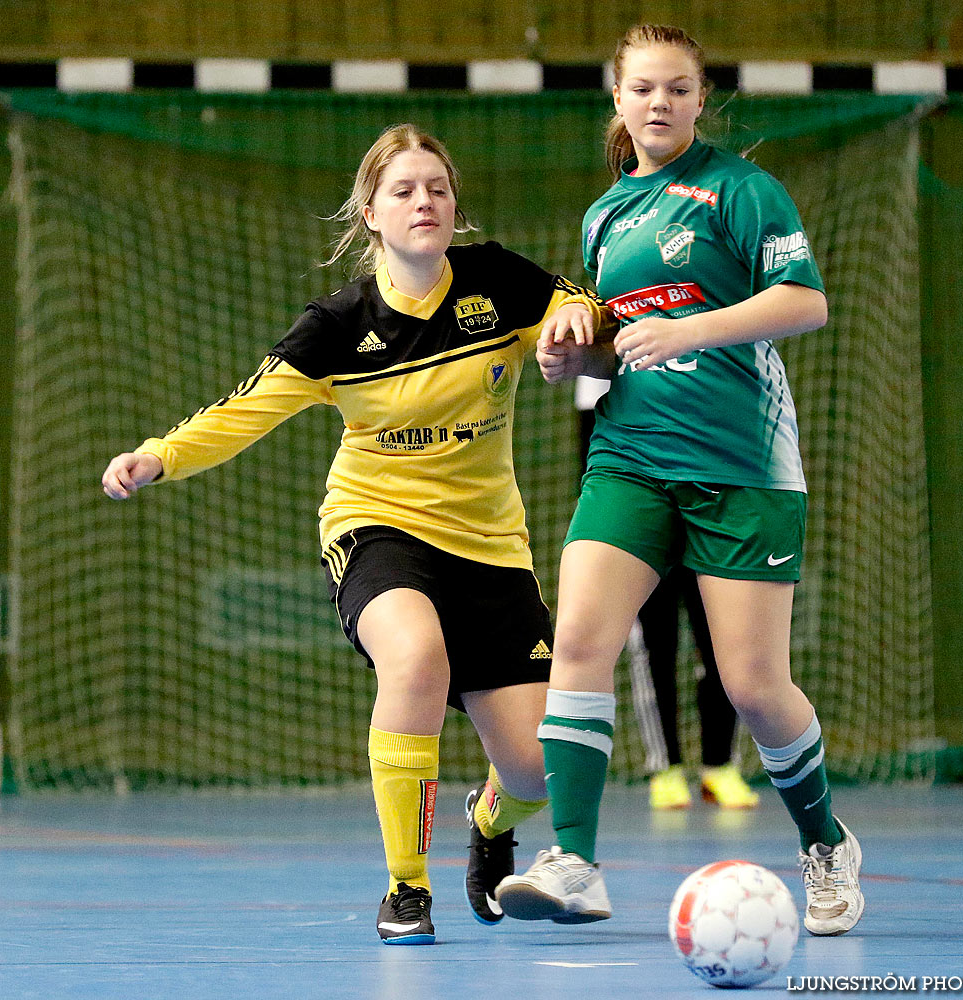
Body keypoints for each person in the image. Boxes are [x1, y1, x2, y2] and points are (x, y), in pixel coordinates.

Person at [100, 123, 611, 946]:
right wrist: (156, 455)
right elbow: (241, 412)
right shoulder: (339, 327)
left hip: (489, 547)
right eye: (404, 191)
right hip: (378, 529)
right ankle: (406, 888)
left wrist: (570, 329)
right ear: (370, 213)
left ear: (454, 208)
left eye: (437, 189)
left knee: (533, 769)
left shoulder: (496, 283)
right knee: (415, 658)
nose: (424, 202)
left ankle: (488, 823)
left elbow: (579, 307)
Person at [495, 25, 864, 936]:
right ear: (617, 102)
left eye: (677, 89)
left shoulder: (741, 191)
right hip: (629, 459)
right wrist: (570, 359)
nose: (658, 103)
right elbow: (618, 348)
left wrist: (693, 330)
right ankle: (574, 860)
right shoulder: (604, 216)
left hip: (740, 464)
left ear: (701, 100)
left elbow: (805, 303)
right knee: (577, 641)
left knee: (752, 683)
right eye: (642, 89)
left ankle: (822, 842)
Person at [576, 378, 757, 812]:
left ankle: (720, 765)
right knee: (655, 643)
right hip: (642, 520)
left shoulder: (702, 365)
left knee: (721, 639)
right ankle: (666, 767)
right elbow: (594, 458)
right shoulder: (603, 378)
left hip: (705, 508)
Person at [631, 566, 760, 811]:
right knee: (655, 652)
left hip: (708, 540)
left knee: (721, 648)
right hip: (650, 542)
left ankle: (720, 766)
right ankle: (665, 769)